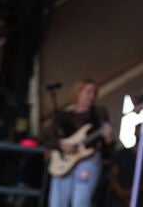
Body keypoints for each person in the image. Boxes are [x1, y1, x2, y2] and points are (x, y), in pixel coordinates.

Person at [47, 79, 115, 207]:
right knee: (57, 202)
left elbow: (108, 144)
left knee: (80, 201)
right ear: (78, 92)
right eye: (88, 92)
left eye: (94, 93)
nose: (91, 96)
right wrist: (61, 145)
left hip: (88, 160)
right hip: (65, 161)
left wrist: (109, 137)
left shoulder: (98, 113)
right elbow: (50, 138)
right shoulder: (64, 116)